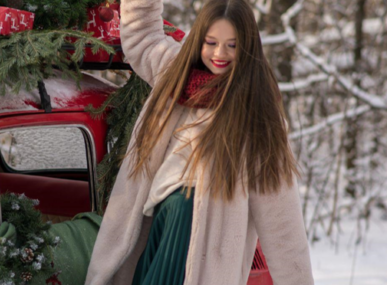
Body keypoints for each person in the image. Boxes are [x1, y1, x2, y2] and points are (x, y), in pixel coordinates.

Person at [85, 0, 314, 284]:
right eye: (211, 42)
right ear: (198, 41)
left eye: (232, 45)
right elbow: (141, 35)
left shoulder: (258, 114)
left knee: (185, 203)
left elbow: (283, 224)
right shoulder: (175, 72)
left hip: (205, 261)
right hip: (160, 233)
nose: (220, 53)